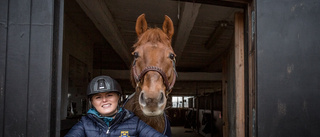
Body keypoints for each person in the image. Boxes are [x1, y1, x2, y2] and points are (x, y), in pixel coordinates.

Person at [65, 75, 167, 137]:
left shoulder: (134, 123)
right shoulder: (84, 124)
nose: (104, 100)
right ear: (91, 102)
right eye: (98, 97)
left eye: (109, 95)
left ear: (119, 98)